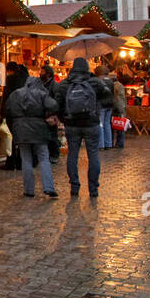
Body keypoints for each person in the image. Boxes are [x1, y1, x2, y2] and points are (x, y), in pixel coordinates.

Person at [58, 57, 108, 198]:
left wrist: (63, 118)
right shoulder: (95, 82)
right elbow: (109, 99)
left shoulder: (64, 84)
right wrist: (97, 108)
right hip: (91, 123)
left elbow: (57, 103)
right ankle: (93, 189)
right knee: (93, 155)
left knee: (72, 155)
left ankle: (74, 186)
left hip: (71, 124)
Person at [4, 72, 59, 198]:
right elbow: (54, 105)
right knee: (44, 157)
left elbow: (7, 108)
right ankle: (48, 187)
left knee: (26, 159)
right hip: (38, 128)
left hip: (21, 129)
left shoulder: (16, 94)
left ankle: (29, 190)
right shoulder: (41, 93)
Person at [1, 62, 24, 171]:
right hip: (21, 112)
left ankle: (10, 162)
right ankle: (20, 162)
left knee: (10, 138)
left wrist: (2, 114)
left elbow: (5, 97)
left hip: (11, 112)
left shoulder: (9, 79)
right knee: (19, 137)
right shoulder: (23, 79)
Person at [39, 65, 62, 164]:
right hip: (43, 113)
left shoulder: (55, 86)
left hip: (51, 114)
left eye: (42, 72)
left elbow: (57, 100)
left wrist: (53, 113)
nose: (40, 73)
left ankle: (54, 155)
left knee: (53, 136)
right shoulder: (42, 84)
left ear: (48, 74)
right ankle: (47, 154)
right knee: (45, 135)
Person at [93, 64, 116, 149]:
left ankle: (101, 144)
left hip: (101, 105)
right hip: (110, 104)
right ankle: (109, 143)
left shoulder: (98, 80)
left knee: (100, 124)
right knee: (107, 124)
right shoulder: (111, 81)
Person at [110, 72, 127, 149]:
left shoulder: (114, 86)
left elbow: (119, 99)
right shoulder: (119, 85)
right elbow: (121, 98)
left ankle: (114, 143)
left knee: (113, 127)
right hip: (118, 108)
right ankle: (119, 143)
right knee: (119, 127)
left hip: (114, 108)